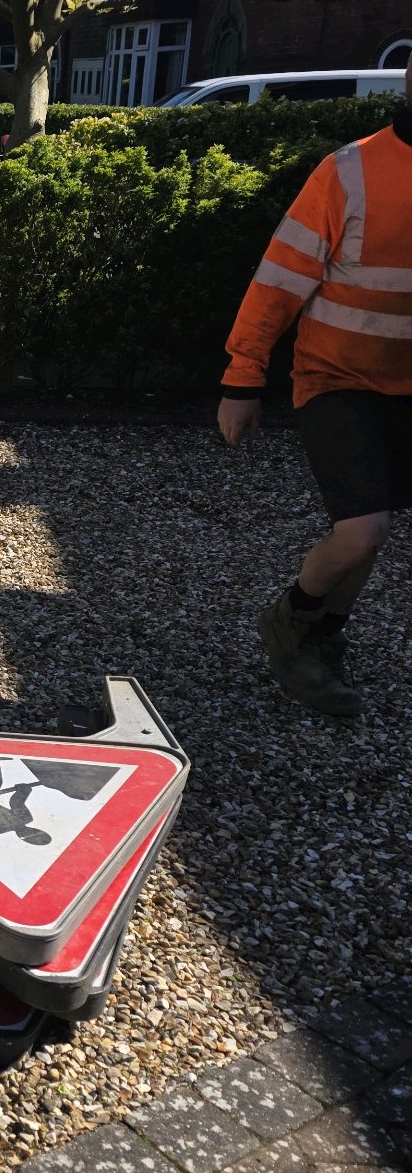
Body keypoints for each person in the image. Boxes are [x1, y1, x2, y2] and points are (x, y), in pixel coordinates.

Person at [218, 60, 412, 718]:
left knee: (370, 531)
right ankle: (289, 621)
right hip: (335, 379)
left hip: (404, 388)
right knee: (363, 529)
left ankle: (321, 638)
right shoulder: (351, 172)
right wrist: (242, 377)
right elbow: (278, 280)